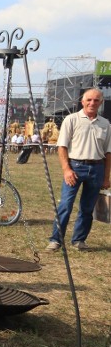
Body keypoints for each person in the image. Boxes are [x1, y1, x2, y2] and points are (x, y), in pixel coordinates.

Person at [46, 88, 110, 251]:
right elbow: (62, 147)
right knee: (66, 205)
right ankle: (55, 240)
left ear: (101, 103)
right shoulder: (71, 120)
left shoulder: (105, 124)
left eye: (96, 100)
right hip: (75, 167)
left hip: (97, 169)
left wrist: (106, 177)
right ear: (82, 101)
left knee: (87, 208)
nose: (92, 103)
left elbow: (108, 152)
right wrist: (66, 169)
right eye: (89, 100)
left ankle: (79, 240)